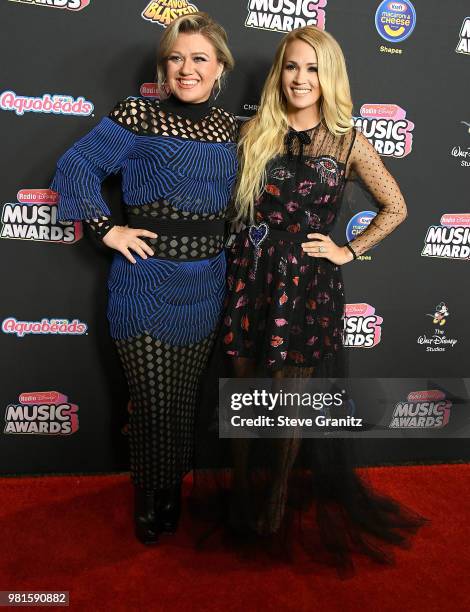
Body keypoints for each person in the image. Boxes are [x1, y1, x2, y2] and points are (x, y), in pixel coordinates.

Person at [220, 25, 427, 574]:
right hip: (249, 275)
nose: (300, 78)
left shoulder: (348, 139)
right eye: (291, 66)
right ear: (279, 72)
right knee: (243, 395)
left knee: (288, 404)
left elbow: (397, 206)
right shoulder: (253, 131)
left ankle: (276, 500)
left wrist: (349, 251)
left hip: (308, 287)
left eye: (312, 68)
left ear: (329, 75)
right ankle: (243, 494)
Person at [49, 12, 238, 545]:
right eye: (175, 58)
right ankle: (150, 496)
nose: (186, 68)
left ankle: (172, 487)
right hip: (145, 285)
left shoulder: (231, 128)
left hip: (206, 285)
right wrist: (107, 230)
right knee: (152, 399)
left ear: (219, 67)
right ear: (163, 66)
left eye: (198, 58)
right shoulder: (138, 113)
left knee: (182, 399)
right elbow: (76, 167)